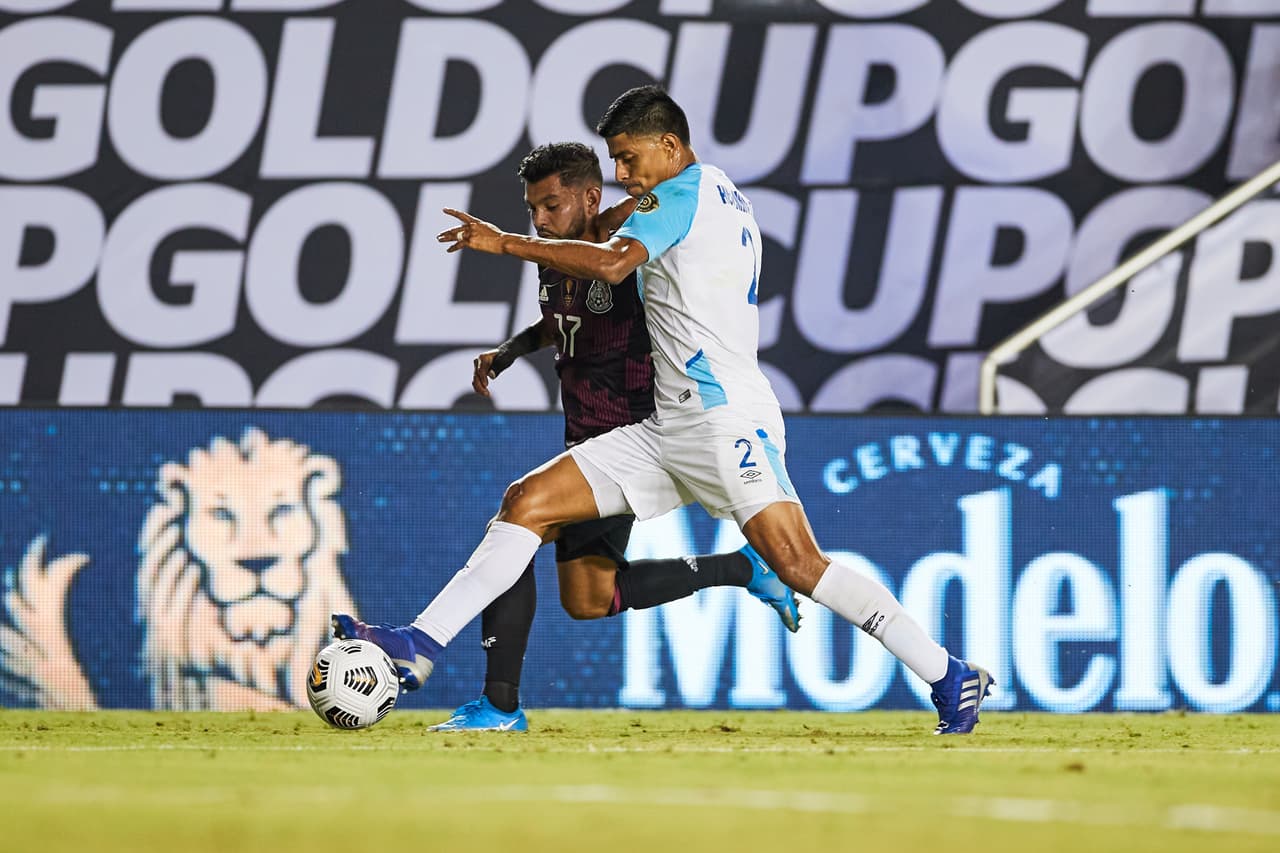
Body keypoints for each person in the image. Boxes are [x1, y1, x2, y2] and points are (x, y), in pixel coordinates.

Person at [336, 86, 993, 734]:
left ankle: (946, 672)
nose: (622, 175)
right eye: (615, 163)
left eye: (627, 158)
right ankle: (417, 644)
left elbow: (616, 264)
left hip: (723, 417)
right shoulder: (718, 193)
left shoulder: (678, 194)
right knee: (526, 500)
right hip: (667, 426)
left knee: (799, 563)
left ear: (669, 145)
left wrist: (508, 244)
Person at [428, 142, 800, 732]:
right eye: (533, 210)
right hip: (587, 433)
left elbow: (622, 264)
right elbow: (564, 321)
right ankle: (743, 569)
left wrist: (505, 242)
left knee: (521, 522)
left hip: (632, 437)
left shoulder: (624, 239)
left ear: (591, 195)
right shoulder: (559, 255)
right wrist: (509, 352)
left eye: (551, 205)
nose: (541, 221)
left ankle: (498, 705)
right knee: (589, 599)